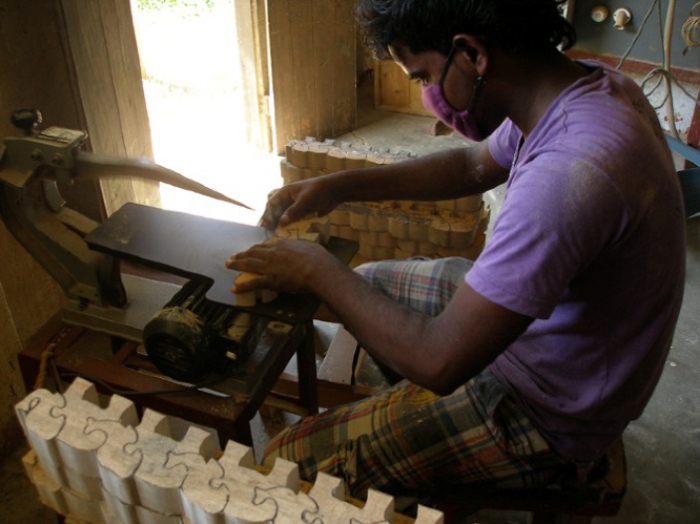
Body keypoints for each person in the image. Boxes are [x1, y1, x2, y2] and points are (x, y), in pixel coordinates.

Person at [226, 0, 686, 503]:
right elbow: (472, 168)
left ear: (471, 53)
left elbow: (438, 361)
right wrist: (340, 186)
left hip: (551, 408)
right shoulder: (578, 90)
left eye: (424, 77)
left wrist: (317, 269)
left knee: (286, 463)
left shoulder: (569, 174)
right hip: (566, 340)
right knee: (369, 280)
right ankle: (403, 432)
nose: (428, 97)